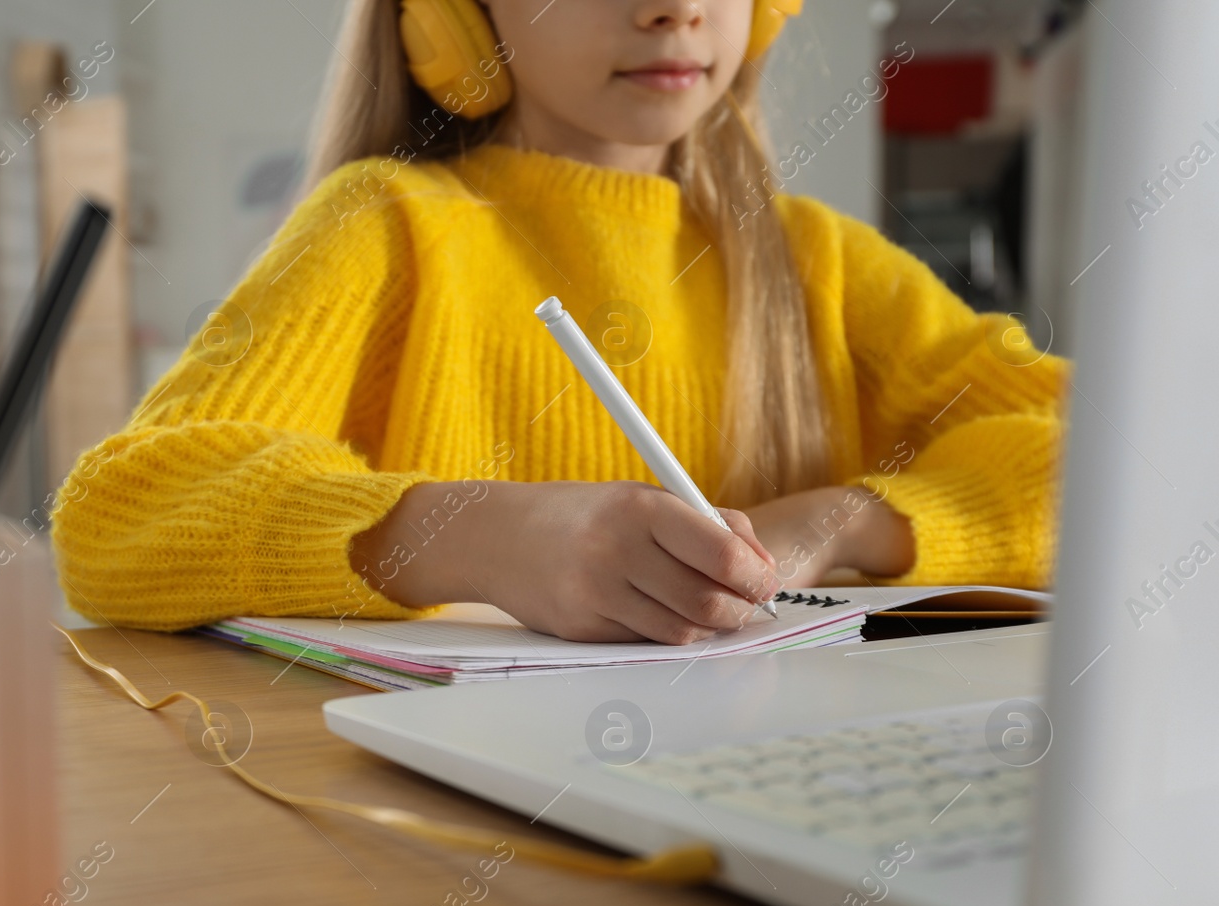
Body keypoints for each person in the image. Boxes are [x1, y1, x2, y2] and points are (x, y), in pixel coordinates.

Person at [52, 0, 1065, 645]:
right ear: (451, 16)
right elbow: (115, 520)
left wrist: (841, 523)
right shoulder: (389, 226)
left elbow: (1124, 459)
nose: (673, 11)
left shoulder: (822, 262)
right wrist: (489, 538)